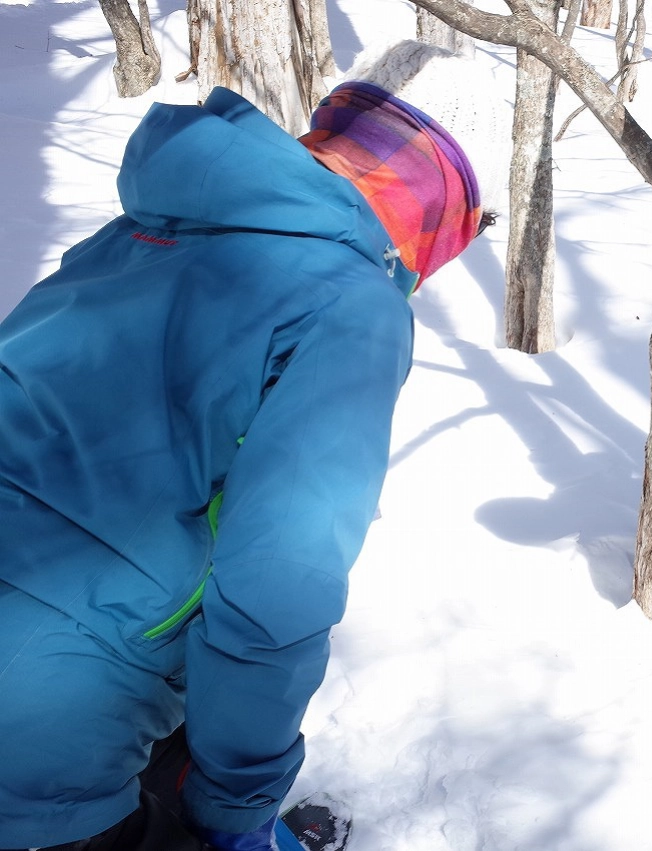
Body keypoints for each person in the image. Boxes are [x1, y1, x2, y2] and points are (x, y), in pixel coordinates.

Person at [0, 40, 508, 851]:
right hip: (41, 728)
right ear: (446, 206)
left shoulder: (150, 224)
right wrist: (231, 813)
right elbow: (273, 595)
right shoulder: (351, 304)